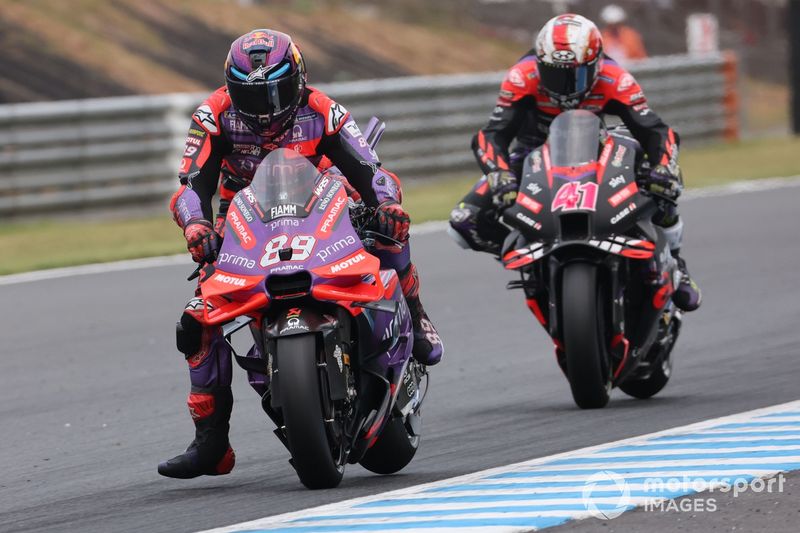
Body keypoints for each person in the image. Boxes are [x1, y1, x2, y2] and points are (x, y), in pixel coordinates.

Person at [160, 29, 443, 479]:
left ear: (299, 79)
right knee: (198, 319)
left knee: (388, 229)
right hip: (245, 213)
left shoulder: (323, 110)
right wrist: (196, 225)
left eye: (276, 91)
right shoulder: (211, 115)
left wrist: (387, 204)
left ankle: (416, 311)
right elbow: (190, 186)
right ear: (231, 88)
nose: (267, 108)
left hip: (327, 197)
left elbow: (369, 168)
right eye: (252, 96)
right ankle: (211, 441)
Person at [449, 13, 701, 313]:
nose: (565, 86)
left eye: (576, 75)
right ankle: (533, 262)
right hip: (531, 153)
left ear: (595, 63)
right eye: (554, 73)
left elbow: (657, 132)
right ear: (540, 63)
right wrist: (499, 174)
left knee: (665, 180)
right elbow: (491, 136)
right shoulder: (522, 76)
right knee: (464, 220)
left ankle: (675, 262)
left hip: (599, 148)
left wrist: (663, 166)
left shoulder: (615, 78)